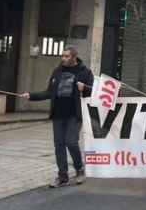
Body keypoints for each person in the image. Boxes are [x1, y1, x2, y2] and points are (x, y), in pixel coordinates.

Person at [20, 46, 93, 188]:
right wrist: (31, 96)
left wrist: (84, 88)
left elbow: (93, 91)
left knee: (71, 141)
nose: (63, 59)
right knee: (59, 144)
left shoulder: (84, 72)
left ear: (74, 57)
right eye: (62, 56)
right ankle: (62, 176)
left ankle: (79, 169)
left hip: (74, 114)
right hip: (58, 114)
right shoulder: (57, 72)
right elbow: (49, 92)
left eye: (66, 56)